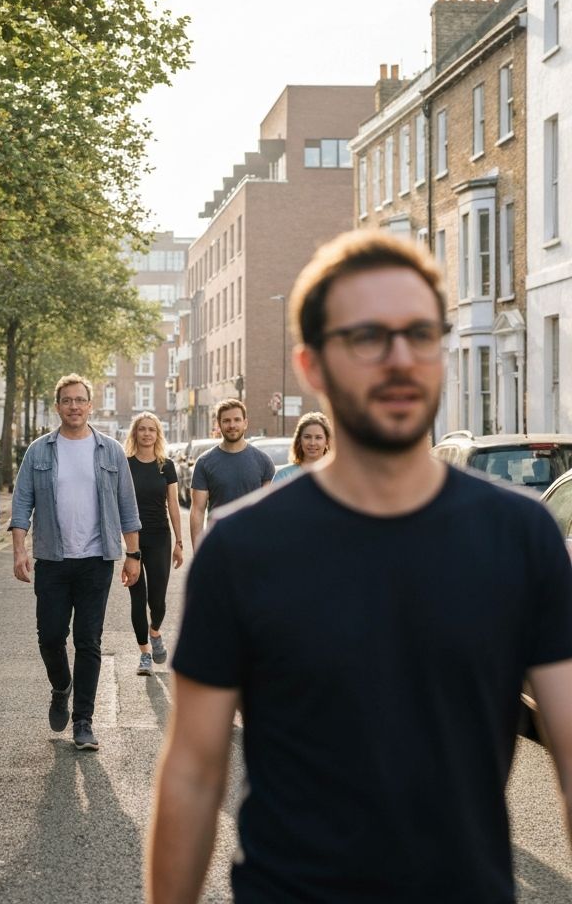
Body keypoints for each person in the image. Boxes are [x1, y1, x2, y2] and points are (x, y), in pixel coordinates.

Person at [147, 230, 572, 904]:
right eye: (369, 337)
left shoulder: (522, 537)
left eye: (421, 334)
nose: (400, 359)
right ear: (312, 365)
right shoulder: (241, 548)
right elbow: (194, 773)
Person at [10, 374, 142, 751]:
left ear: (90, 405)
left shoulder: (110, 450)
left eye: (80, 400)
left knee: (88, 641)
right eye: (66, 400)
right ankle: (60, 685)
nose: (73, 406)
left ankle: (84, 721)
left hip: (96, 561)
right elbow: (21, 504)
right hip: (52, 558)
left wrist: (133, 556)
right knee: (50, 637)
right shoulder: (39, 451)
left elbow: (127, 507)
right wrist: (20, 550)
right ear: (58, 406)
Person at [124, 411, 184, 677]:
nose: (147, 433)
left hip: (160, 536)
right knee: (137, 598)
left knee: (157, 599)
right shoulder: (126, 465)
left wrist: (179, 542)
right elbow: (120, 504)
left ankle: (155, 631)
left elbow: (173, 504)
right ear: (135, 433)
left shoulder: (165, 465)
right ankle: (145, 653)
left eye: (152, 429)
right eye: (142, 429)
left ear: (158, 434)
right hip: (135, 539)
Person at [188, 398, 274, 549]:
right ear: (218, 424)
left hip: (253, 545)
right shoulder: (204, 462)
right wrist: (198, 551)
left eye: (237, 420)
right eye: (226, 420)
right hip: (218, 544)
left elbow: (267, 510)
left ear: (245, 423)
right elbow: (197, 510)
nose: (232, 425)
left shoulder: (263, 461)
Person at [271, 410, 332, 483]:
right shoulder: (284, 476)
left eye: (318, 437)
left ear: (327, 441)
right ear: (299, 440)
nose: (312, 443)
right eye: (307, 437)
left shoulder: (339, 475)